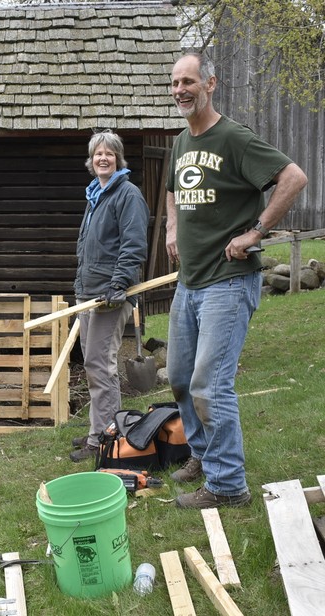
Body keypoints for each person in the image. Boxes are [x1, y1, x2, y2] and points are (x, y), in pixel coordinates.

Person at [165, 52, 308, 507]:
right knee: (180, 377)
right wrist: (171, 227)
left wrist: (257, 232)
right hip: (190, 282)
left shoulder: (234, 138)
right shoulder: (180, 142)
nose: (180, 90)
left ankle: (228, 487)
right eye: (174, 83)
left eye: (189, 81)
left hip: (227, 283)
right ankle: (204, 457)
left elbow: (293, 177)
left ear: (211, 83)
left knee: (210, 384)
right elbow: (172, 189)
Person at [70, 130, 148, 463]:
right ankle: (98, 429)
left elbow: (133, 245)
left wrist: (118, 285)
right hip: (88, 294)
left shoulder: (126, 194)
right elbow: (88, 250)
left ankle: (105, 438)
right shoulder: (95, 195)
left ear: (118, 160)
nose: (103, 158)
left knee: (102, 365)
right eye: (98, 153)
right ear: (91, 160)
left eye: (110, 154)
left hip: (109, 296)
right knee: (93, 364)